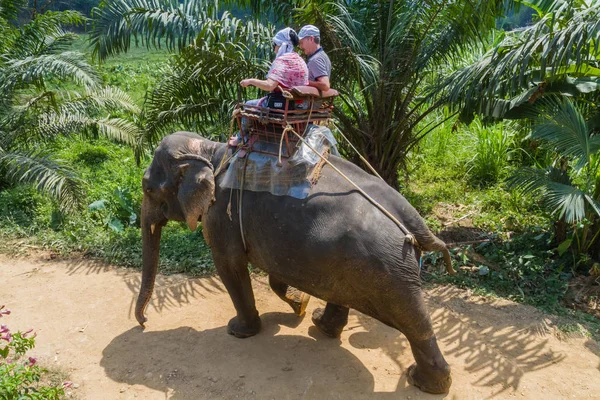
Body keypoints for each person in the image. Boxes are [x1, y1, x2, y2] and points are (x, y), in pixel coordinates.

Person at [297, 25, 331, 92]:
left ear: (311, 39)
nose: (300, 47)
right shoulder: (323, 56)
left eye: (301, 43)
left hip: (309, 102)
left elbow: (325, 85)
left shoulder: (315, 60)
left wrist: (303, 82)